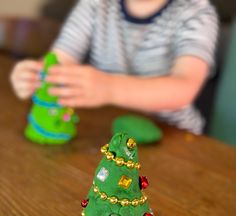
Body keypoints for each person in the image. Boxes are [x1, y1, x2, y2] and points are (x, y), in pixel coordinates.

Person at [10, 0, 218, 134]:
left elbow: (185, 88)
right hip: (105, 126)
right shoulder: (94, 5)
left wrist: (110, 88)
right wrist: (35, 75)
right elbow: (58, 62)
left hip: (173, 132)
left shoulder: (197, 13)